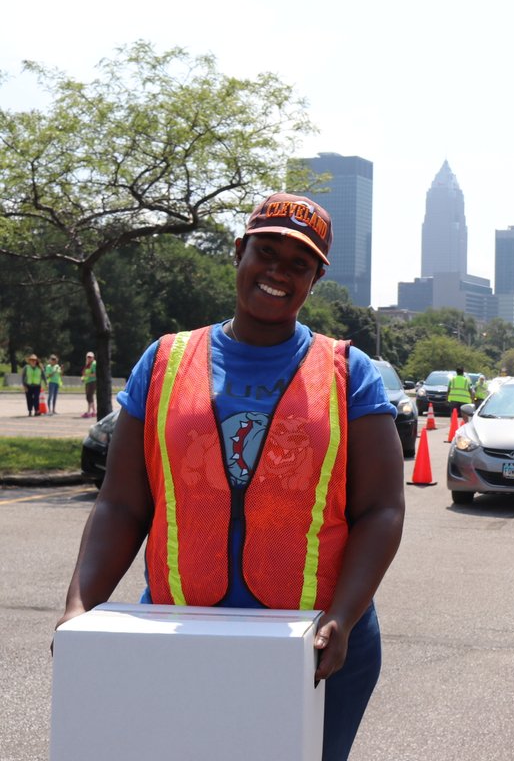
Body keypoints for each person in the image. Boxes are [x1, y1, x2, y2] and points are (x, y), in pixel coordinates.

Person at [56, 192, 407, 761]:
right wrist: (81, 607)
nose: (278, 273)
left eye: (299, 265)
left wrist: (341, 618)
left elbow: (382, 510)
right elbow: (122, 505)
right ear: (239, 252)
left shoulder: (349, 372)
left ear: (315, 280)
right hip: (183, 633)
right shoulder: (166, 361)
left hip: (317, 641)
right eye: (266, 253)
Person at [80, 351, 97, 418]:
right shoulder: (88, 364)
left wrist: (87, 375)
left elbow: (95, 374)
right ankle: (94, 411)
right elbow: (85, 373)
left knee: (89, 396)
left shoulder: (94, 364)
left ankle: (89, 412)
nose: (89, 358)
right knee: (90, 397)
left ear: (93, 358)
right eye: (88, 357)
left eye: (90, 357)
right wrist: (83, 377)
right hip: (88, 382)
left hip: (92, 382)